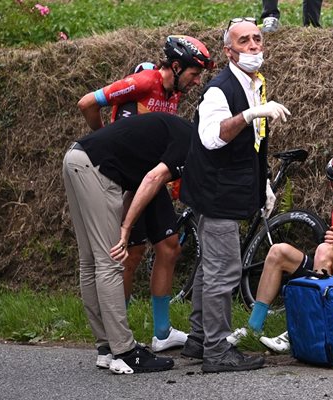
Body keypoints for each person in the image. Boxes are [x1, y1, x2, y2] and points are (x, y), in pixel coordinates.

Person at [76, 35, 214, 353]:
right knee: (131, 253)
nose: (196, 82)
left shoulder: (172, 94)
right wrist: (105, 138)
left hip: (150, 180)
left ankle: (162, 332)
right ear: (176, 67)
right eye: (194, 74)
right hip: (126, 180)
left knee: (169, 247)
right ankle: (117, 336)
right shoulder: (143, 81)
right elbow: (87, 103)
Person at [179, 19, 290, 373]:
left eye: (258, 39)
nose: (255, 46)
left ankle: (199, 339)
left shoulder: (253, 83)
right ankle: (217, 350)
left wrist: (263, 184)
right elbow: (212, 137)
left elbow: (251, 144)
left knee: (209, 268)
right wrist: (251, 112)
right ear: (229, 51)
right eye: (245, 41)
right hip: (216, 193)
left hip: (226, 188)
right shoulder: (220, 89)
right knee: (223, 271)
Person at [62, 112, 195, 374]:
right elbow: (152, 179)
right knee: (111, 260)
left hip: (75, 158)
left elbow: (137, 183)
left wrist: (125, 222)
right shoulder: (190, 140)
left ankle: (106, 348)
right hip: (96, 169)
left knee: (90, 261)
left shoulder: (173, 132)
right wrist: (124, 229)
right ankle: (124, 351)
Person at [233, 153, 333, 353]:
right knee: (278, 252)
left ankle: (301, 331)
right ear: (331, 187)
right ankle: (253, 327)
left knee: (323, 251)